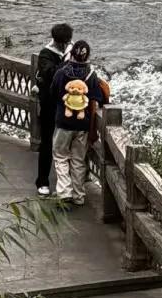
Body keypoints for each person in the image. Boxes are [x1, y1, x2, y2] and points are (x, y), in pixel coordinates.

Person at [50, 40, 109, 208]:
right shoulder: (91, 75)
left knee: (61, 156)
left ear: (71, 54)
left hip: (63, 122)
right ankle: (78, 195)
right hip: (83, 125)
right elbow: (97, 99)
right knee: (78, 159)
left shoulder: (61, 73)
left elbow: (53, 92)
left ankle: (64, 193)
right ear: (87, 55)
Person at [34, 23, 73, 196]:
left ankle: (67, 184)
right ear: (57, 41)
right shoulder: (45, 54)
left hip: (68, 106)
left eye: (67, 42)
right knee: (47, 143)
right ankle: (42, 181)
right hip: (50, 105)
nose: (65, 45)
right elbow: (52, 75)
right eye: (63, 43)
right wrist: (67, 60)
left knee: (68, 145)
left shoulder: (71, 50)